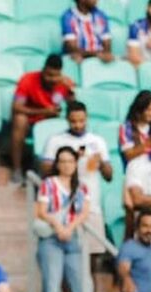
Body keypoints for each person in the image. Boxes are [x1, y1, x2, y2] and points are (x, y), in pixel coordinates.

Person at [34, 145, 91, 292]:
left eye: (70, 161)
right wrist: (58, 225)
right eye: (63, 161)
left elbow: (84, 212)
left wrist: (70, 227)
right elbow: (41, 210)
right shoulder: (48, 184)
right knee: (52, 284)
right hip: (51, 237)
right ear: (57, 164)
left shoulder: (81, 187)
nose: (67, 165)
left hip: (73, 237)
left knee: (81, 286)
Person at [39, 101, 114, 252]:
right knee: (66, 249)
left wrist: (100, 162)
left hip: (91, 203)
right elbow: (45, 172)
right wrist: (71, 159)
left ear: (87, 118)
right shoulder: (56, 141)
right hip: (63, 205)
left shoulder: (97, 141)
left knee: (93, 251)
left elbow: (109, 176)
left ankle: (91, 276)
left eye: (81, 121)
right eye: (73, 121)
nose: (78, 125)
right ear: (67, 119)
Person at [8, 54, 76, 180]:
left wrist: (70, 92)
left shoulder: (65, 83)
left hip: (50, 121)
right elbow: (16, 107)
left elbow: (74, 109)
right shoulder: (27, 79)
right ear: (43, 70)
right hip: (31, 119)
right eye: (49, 75)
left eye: (56, 76)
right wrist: (43, 111)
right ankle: (17, 169)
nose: (52, 79)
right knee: (19, 120)